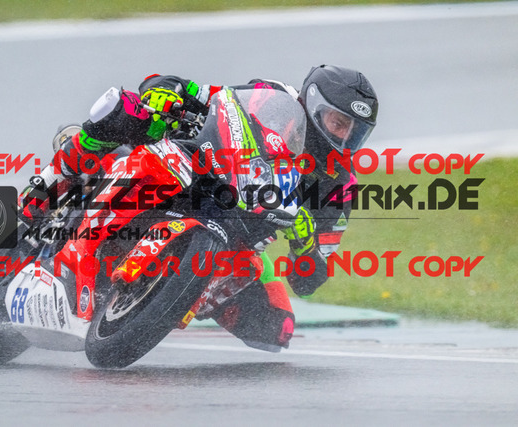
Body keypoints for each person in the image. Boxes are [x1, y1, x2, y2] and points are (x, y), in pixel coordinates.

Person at [19, 65, 379, 352]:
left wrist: (305, 244)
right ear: (313, 106)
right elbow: (198, 93)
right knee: (126, 111)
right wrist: (166, 91)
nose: (345, 138)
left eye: (355, 131)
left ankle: (162, 296)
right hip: (194, 168)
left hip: (237, 235)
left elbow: (310, 280)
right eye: (338, 123)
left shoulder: (339, 186)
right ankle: (49, 185)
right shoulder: (273, 97)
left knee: (277, 327)